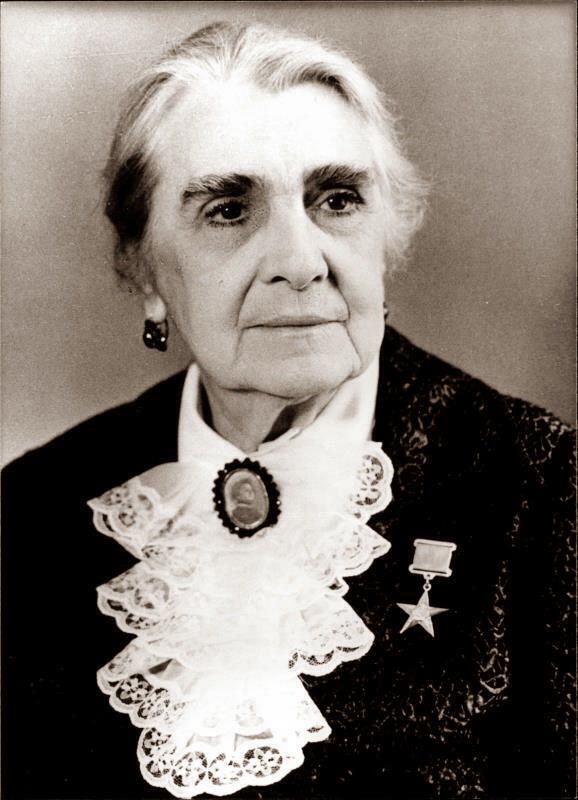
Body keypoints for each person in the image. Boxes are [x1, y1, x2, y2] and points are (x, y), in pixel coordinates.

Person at [1, 20, 575, 800]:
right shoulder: (32, 511)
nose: (300, 263)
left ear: (385, 236)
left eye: (337, 200)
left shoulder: (543, 489)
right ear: (143, 271)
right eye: (228, 211)